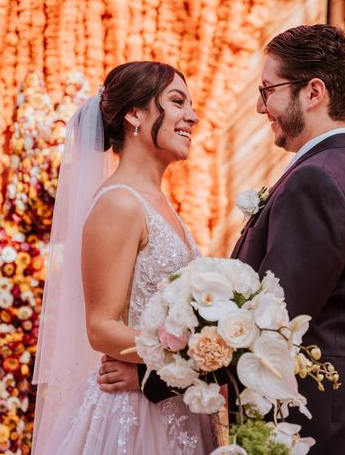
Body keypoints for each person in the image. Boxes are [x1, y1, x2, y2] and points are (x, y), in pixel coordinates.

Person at [102, 25, 345, 454]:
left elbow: (271, 326)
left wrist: (152, 380)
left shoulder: (316, 178)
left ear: (313, 93)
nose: (262, 107)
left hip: (319, 424)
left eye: (268, 90)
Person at [31, 61, 215, 454]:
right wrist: (197, 356)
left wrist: (177, 369)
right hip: (133, 419)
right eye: (177, 101)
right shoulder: (119, 204)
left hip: (171, 402)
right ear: (135, 113)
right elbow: (101, 328)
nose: (192, 116)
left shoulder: (162, 205)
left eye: (191, 105)